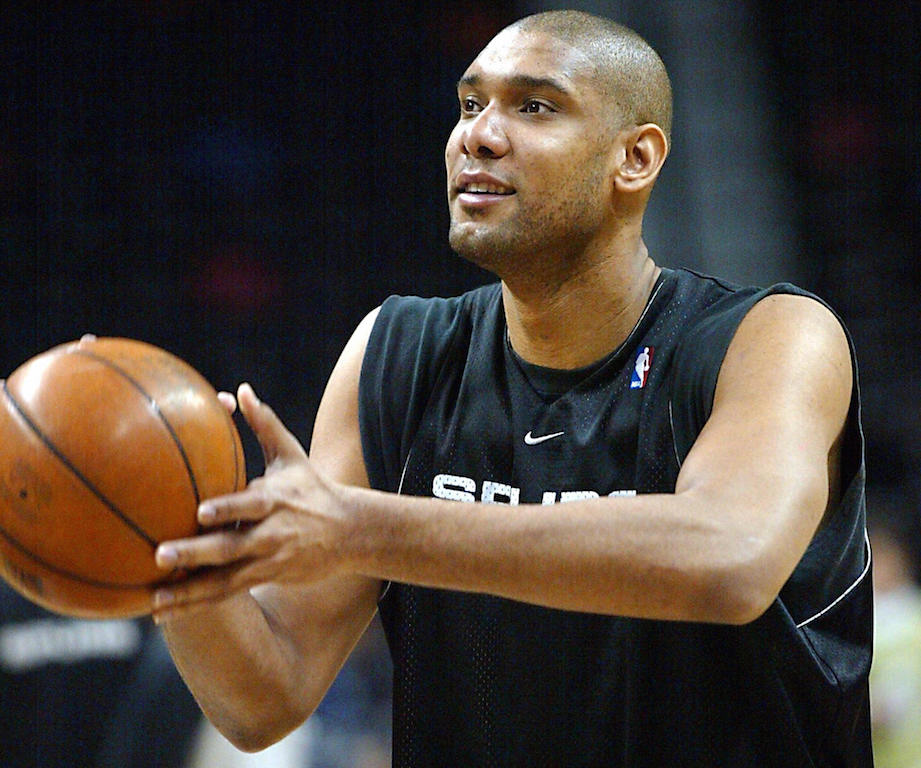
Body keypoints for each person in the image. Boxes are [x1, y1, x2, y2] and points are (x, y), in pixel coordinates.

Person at [152, 10, 872, 766]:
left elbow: (730, 558)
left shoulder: (767, 337)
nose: (479, 136)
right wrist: (164, 550)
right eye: (469, 105)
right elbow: (264, 701)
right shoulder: (396, 354)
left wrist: (358, 527)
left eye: (534, 107)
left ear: (634, 158)